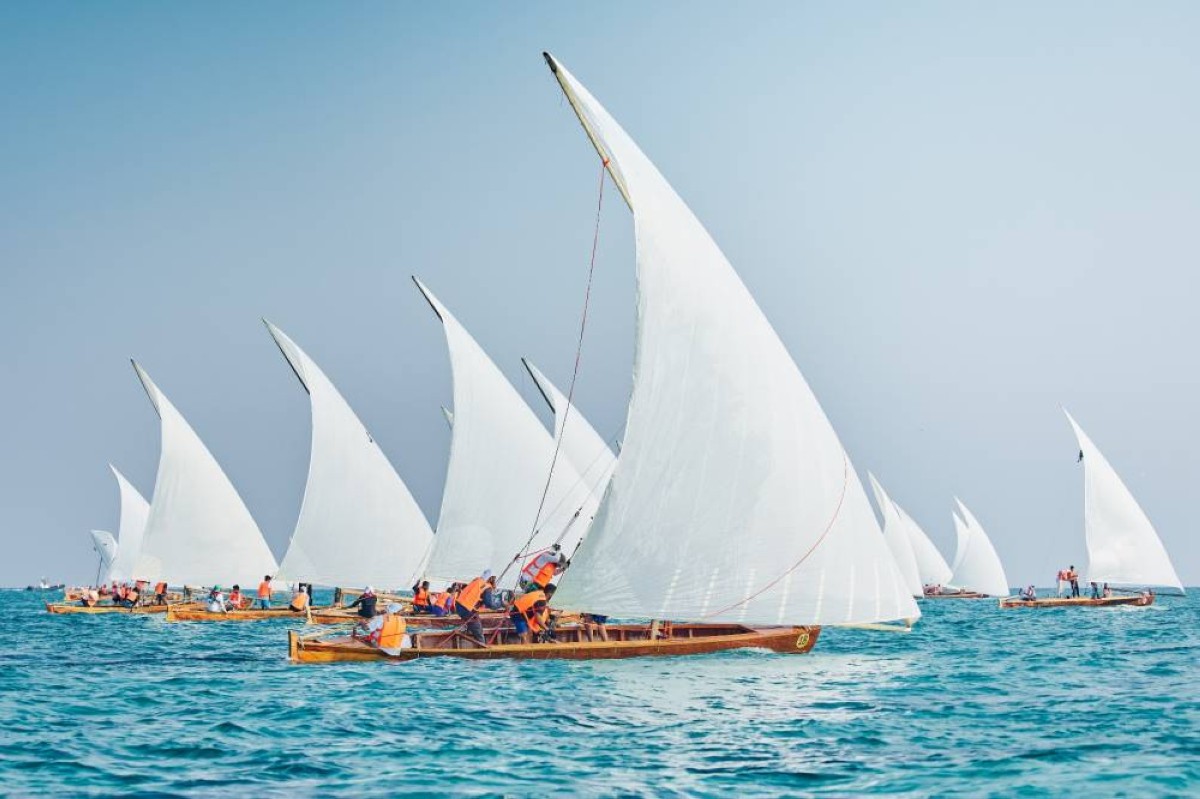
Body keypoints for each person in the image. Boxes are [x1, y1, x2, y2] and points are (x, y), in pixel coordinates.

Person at [455, 575, 488, 642]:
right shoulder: (483, 585)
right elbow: (489, 603)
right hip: (466, 608)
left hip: (461, 607)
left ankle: (469, 629)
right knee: (477, 628)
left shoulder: (473, 583)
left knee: (474, 622)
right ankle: (482, 647)